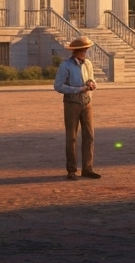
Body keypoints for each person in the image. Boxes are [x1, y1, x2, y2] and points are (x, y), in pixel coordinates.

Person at [54, 36, 100, 180]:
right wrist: (77, 89)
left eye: (85, 50)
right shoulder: (66, 66)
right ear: (76, 51)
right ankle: (71, 169)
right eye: (82, 50)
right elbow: (58, 86)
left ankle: (88, 168)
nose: (84, 52)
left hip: (86, 102)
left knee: (89, 136)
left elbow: (91, 78)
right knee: (72, 137)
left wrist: (92, 84)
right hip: (72, 103)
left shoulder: (88, 64)